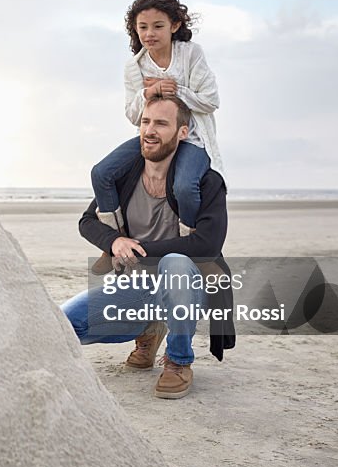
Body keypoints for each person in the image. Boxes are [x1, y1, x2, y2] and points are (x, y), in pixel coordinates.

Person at [62, 94, 235, 399]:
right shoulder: (124, 177)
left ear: (183, 132)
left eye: (161, 123)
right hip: (139, 289)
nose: (149, 130)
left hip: (190, 287)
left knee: (175, 262)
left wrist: (139, 249)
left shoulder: (205, 182)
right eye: (145, 122)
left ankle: (179, 362)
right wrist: (115, 241)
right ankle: (151, 329)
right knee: (64, 322)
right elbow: (87, 221)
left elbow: (207, 243)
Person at [90, 0, 224, 275]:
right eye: (143, 27)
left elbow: (211, 99)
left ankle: (193, 253)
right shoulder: (134, 66)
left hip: (190, 137)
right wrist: (149, 92)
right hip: (153, 134)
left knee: (184, 187)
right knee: (101, 173)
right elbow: (132, 114)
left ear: (175, 26)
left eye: (158, 26)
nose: (150, 33)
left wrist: (175, 91)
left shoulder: (190, 54)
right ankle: (113, 242)